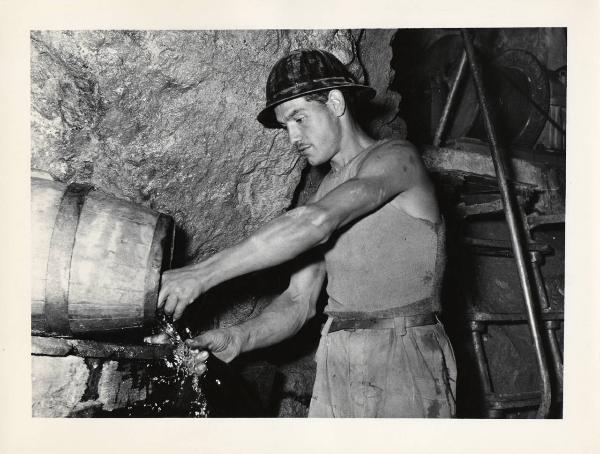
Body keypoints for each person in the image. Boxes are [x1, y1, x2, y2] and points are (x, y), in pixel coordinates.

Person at [146, 49, 456, 417]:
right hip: (337, 355)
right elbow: (298, 301)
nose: (293, 136)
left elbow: (315, 223)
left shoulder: (395, 158)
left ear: (336, 102)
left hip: (402, 350)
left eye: (299, 118)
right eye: (285, 125)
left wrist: (201, 274)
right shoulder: (327, 188)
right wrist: (239, 337)